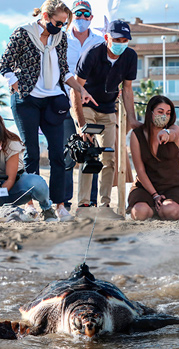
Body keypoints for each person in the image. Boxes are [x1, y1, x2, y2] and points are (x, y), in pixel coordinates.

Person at [0, 0, 97, 221]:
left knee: (58, 155)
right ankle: (30, 204)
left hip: (53, 100)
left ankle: (59, 206)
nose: (61, 27)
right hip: (27, 100)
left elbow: (64, 69)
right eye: (58, 22)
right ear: (45, 15)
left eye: (64, 24)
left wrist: (80, 89)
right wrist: (13, 81)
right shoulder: (23, 33)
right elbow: (4, 63)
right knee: (31, 153)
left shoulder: (60, 38)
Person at [71, 19, 138, 216]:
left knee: (109, 157)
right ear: (107, 37)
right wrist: (82, 123)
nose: (122, 43)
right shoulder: (92, 53)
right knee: (88, 154)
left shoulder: (130, 56)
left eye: (125, 39)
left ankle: (104, 205)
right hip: (87, 107)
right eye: (118, 39)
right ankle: (83, 205)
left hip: (108, 109)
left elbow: (127, 89)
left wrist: (132, 119)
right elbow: (76, 88)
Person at [63, 0, 104, 211]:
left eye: (85, 14)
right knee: (69, 151)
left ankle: (91, 202)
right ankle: (64, 203)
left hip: (91, 104)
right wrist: (77, 91)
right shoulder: (60, 39)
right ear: (71, 16)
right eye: (77, 14)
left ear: (91, 17)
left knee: (91, 151)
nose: (81, 17)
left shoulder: (99, 41)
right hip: (64, 101)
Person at [127, 95, 179, 220]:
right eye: (160, 112)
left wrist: (166, 133)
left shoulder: (173, 129)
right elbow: (140, 170)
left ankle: (160, 211)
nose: (164, 116)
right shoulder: (137, 135)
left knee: (170, 210)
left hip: (173, 186)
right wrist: (155, 195)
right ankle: (154, 210)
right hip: (145, 187)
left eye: (168, 113)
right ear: (151, 112)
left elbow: (174, 133)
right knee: (139, 212)